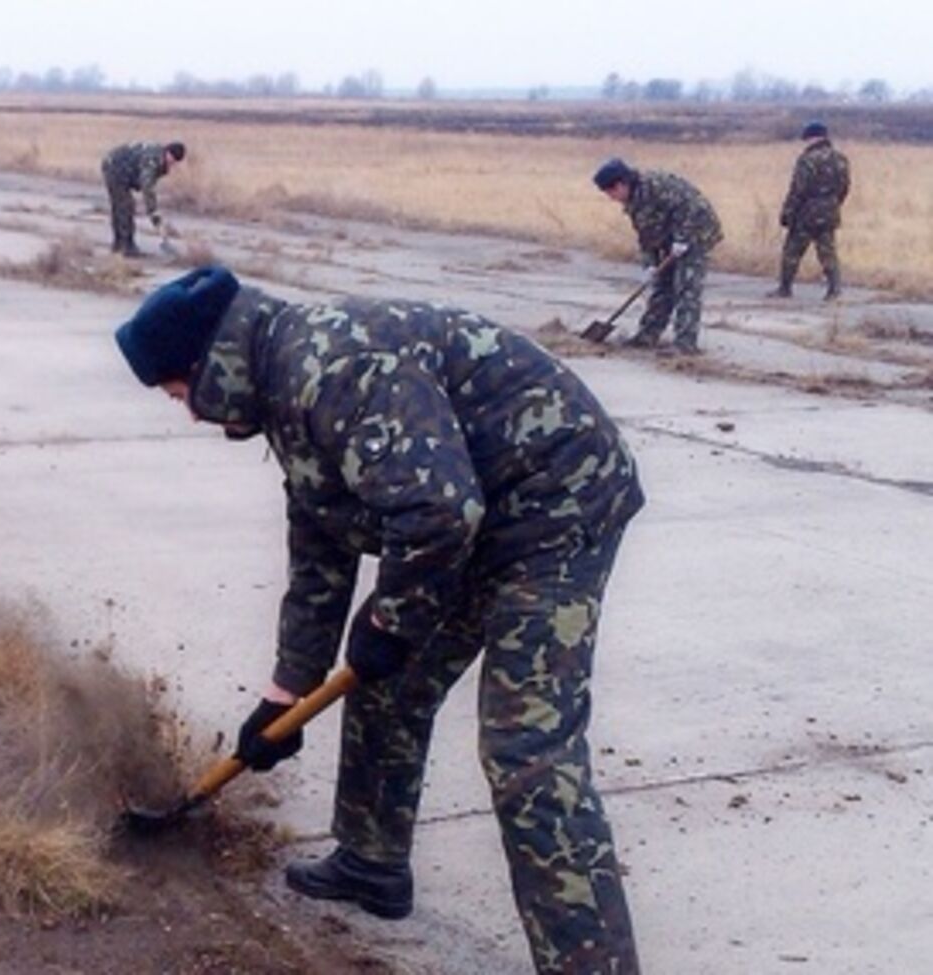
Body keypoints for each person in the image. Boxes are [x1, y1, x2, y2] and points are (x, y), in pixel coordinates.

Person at [115, 266, 644, 974]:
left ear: (212, 365)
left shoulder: (331, 371)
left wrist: (391, 621)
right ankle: (371, 861)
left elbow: (439, 512)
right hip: (476, 514)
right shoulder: (285, 384)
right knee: (385, 683)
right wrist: (285, 696)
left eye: (182, 394)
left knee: (526, 750)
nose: (190, 414)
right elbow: (320, 546)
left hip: (557, 506)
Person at [593, 158, 723, 355]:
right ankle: (647, 336)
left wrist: (683, 238)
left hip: (697, 232)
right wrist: (650, 265)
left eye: (610, 192)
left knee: (686, 287)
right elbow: (646, 235)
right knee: (662, 285)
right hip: (671, 238)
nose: (611, 198)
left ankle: (685, 344)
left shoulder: (656, 187)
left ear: (620, 184)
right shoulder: (634, 201)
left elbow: (692, 207)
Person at [772, 121, 851, 301]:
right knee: (827, 251)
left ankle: (785, 289)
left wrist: (788, 212)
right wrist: (833, 204)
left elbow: (798, 189)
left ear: (812, 138)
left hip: (806, 213)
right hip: (829, 211)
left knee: (792, 251)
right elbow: (845, 187)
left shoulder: (808, 159)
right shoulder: (840, 159)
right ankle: (834, 289)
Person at [100, 141, 185, 257]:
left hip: (121, 169)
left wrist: (153, 211)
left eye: (175, 162)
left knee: (121, 206)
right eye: (173, 160)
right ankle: (127, 246)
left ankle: (119, 245)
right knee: (125, 206)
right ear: (168, 153)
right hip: (114, 167)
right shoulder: (153, 160)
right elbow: (147, 187)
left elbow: (148, 183)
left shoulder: (160, 159)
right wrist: (153, 211)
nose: (172, 164)